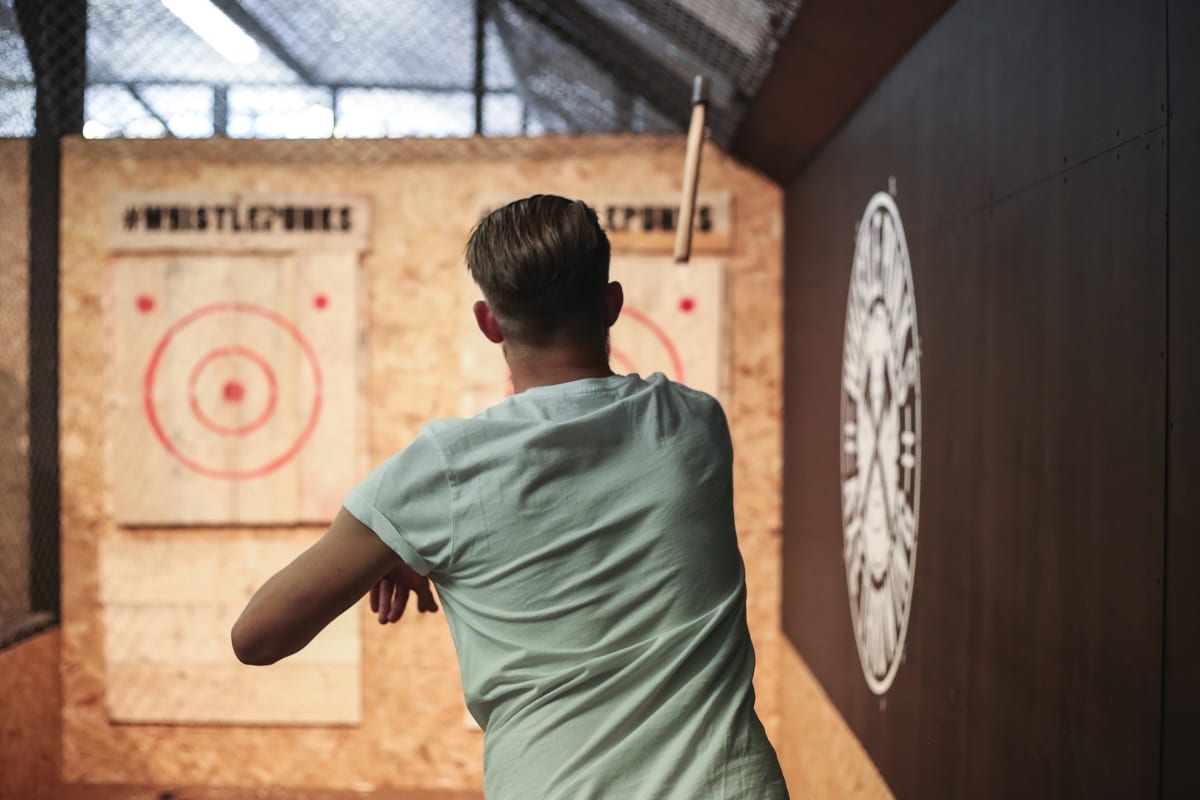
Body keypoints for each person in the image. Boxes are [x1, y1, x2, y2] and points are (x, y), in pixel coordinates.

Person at [231, 194, 788, 799]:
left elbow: (257, 637)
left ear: (489, 322)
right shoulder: (694, 425)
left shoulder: (441, 473)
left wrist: (397, 544)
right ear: (612, 305)